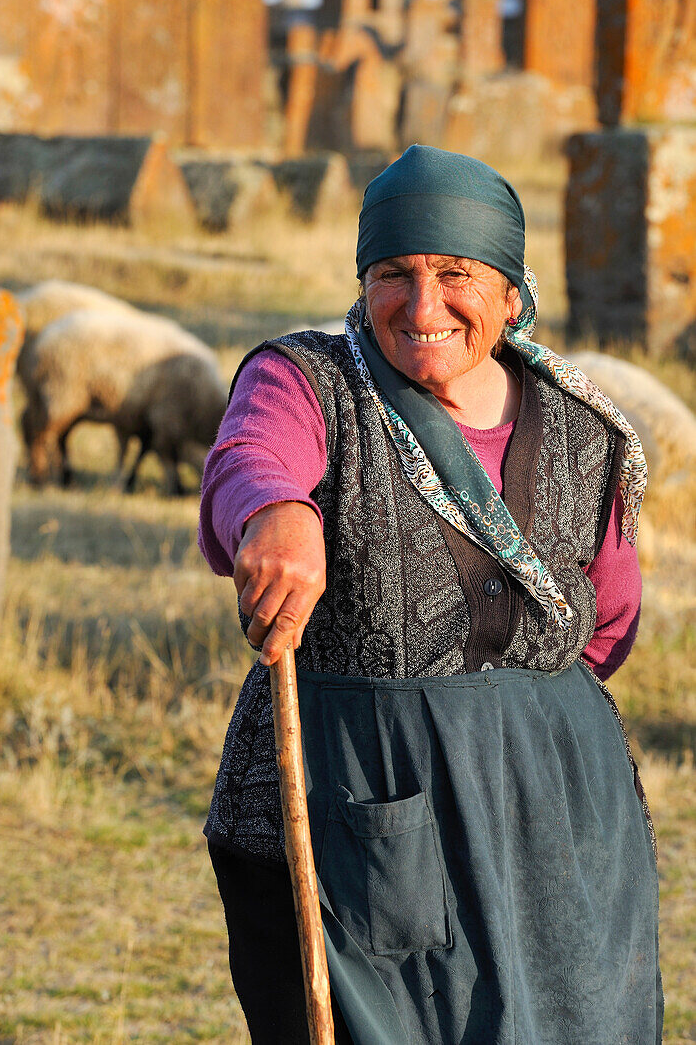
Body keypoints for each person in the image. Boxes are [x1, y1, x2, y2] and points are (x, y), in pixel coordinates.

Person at [198, 146, 662, 1044]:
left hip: (556, 817)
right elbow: (248, 462)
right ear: (361, 281)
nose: (423, 307)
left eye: (457, 275)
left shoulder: (584, 428)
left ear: (513, 292)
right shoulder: (310, 381)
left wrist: (511, 722)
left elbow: (606, 630)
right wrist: (277, 513)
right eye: (393, 275)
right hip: (359, 800)